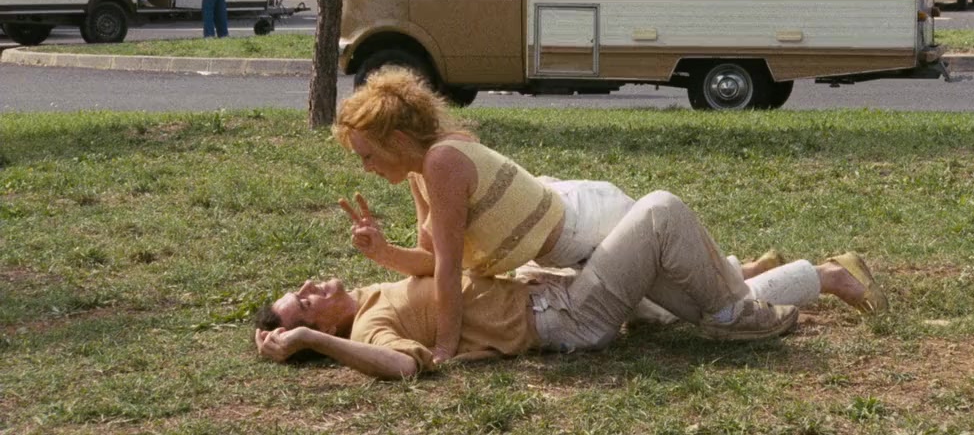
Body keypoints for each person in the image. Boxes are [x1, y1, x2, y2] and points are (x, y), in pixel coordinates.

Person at [254, 191, 887, 378]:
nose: (309, 286)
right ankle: (738, 300)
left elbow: (441, 265)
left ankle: (823, 276)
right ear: (324, 325)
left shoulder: (373, 293)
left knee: (675, 308)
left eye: (301, 289)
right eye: (304, 303)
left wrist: (384, 250)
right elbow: (401, 368)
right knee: (659, 213)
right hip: (565, 315)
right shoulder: (367, 327)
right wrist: (311, 340)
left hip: (557, 287)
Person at [333, 68, 635, 363]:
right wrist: (382, 252)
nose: (366, 167)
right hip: (562, 243)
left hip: (587, 226)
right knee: (642, 311)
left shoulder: (441, 162)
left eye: (368, 156)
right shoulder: (420, 171)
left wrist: (445, 346)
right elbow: (432, 262)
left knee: (654, 302)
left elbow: (449, 269)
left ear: (398, 141)